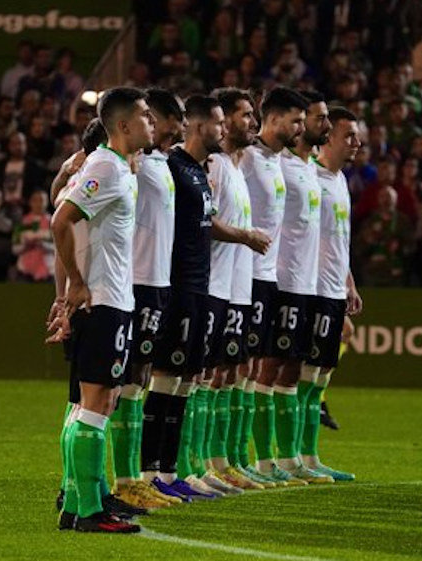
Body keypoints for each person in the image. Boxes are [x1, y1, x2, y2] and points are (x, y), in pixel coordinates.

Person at [139, 94, 270, 502]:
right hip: (176, 286)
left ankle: (170, 470)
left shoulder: (197, 170)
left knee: (184, 382)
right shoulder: (174, 167)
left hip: (199, 286)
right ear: (198, 127)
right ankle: (148, 475)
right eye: (218, 123)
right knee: (163, 380)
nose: (224, 129)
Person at [48, 87, 154, 533]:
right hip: (103, 301)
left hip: (112, 300)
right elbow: (60, 220)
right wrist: (74, 282)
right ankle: (90, 511)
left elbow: (62, 205)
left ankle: (77, 502)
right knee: (96, 405)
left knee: (94, 403)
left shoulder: (115, 168)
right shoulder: (107, 167)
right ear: (125, 125)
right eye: (146, 116)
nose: (151, 123)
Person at [110, 90, 187, 509]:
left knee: (138, 382)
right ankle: (123, 480)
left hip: (158, 283)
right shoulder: (128, 164)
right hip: (134, 281)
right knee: (125, 383)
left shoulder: (159, 163)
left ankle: (135, 478)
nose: (163, 128)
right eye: (154, 119)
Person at [255, 89, 335, 485]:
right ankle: (262, 462)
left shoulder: (310, 169)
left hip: (305, 284)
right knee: (266, 369)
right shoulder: (279, 164)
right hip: (280, 281)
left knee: (290, 370)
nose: (315, 125)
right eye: (309, 118)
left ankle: (289, 460)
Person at [193, 87, 270, 493]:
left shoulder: (239, 168)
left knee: (229, 374)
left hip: (237, 290)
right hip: (211, 287)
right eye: (243, 115)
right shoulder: (216, 166)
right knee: (202, 375)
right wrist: (243, 236)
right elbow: (206, 224)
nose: (251, 122)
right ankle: (195, 462)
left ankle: (222, 461)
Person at [239, 86, 307, 484]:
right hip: (241, 276)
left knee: (248, 369)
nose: (300, 127)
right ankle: (216, 462)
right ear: (275, 118)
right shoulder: (246, 157)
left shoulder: (279, 161)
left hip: (268, 279)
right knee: (231, 369)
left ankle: (241, 461)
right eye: (295, 120)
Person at [304, 106, 363, 481]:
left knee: (316, 376)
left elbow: (338, 239)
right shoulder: (313, 178)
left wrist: (349, 282)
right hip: (310, 288)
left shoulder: (340, 181)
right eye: (349, 136)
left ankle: (308, 457)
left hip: (332, 287)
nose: (356, 143)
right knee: (298, 377)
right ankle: (291, 457)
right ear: (328, 138)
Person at [12, 191, 54, 282]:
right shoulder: (22, 222)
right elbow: (15, 249)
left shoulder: (53, 222)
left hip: (48, 271)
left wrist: (42, 244)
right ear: (30, 202)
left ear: (47, 202)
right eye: (35, 200)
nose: (39, 204)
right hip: (25, 272)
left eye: (41, 200)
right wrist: (26, 245)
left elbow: (60, 249)